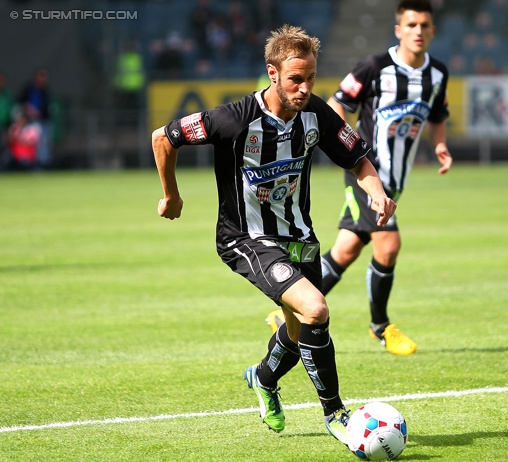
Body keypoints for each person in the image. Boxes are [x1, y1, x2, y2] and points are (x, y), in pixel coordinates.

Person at [151, 25, 396, 445]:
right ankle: (336, 413)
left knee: (300, 327)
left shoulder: (316, 114)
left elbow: (358, 159)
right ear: (273, 74)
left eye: (310, 79)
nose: (304, 88)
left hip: (299, 236)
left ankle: (263, 378)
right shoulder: (232, 119)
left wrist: (377, 192)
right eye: (295, 79)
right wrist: (171, 196)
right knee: (316, 309)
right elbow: (163, 137)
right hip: (245, 238)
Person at [265, 0, 452, 356]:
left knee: (347, 249)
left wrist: (440, 145)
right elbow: (337, 104)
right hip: (365, 172)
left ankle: (287, 311)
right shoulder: (375, 67)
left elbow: (438, 115)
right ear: (398, 29)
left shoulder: (438, 74)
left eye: (424, 25)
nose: (418, 31)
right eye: (411, 24)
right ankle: (381, 327)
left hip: (394, 180)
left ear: (432, 30)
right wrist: (347, 149)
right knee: (389, 245)